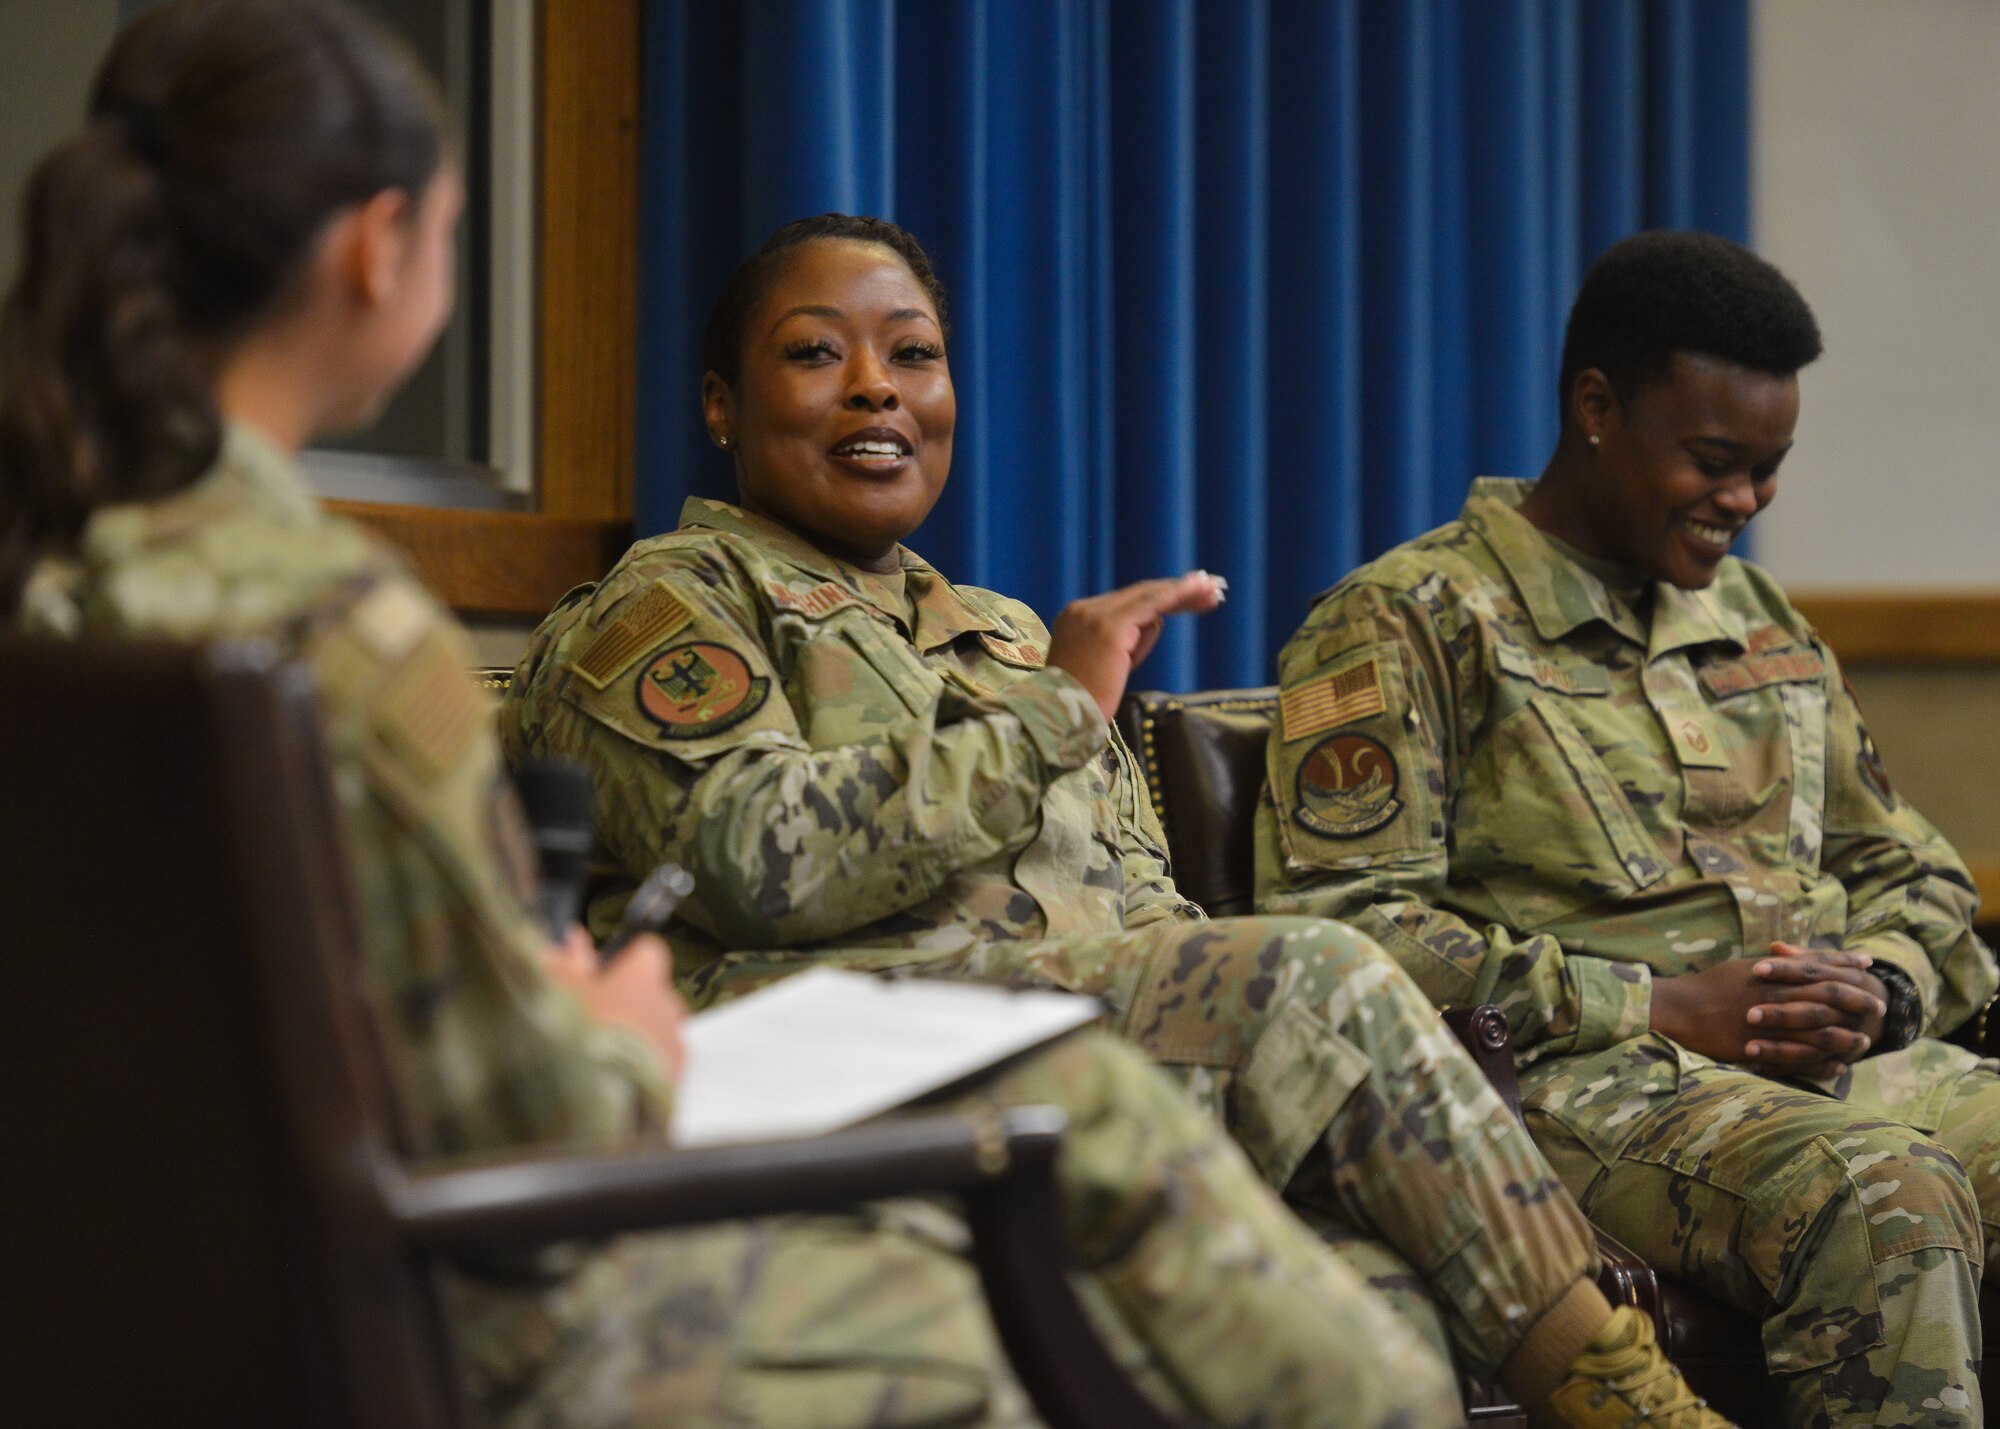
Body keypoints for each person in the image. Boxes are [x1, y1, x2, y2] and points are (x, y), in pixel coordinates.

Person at [0, 3, 1503, 1425]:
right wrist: (621, 1036)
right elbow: (525, 1109)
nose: (878, 390)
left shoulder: (73, 578)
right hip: (496, 1294)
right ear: (380, 252)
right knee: (1100, 1293)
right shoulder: (342, 629)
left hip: (169, 1288)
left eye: (915, 352)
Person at [500, 211, 1734, 1429]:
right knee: (1308, 979)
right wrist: (1047, 715)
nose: (876, 391)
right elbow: (755, 865)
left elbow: (1150, 912)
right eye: (817, 354)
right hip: (846, 1062)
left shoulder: (1002, 630)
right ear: (721, 404)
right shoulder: (665, 606)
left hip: (1099, 1078)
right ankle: (1628, 1403)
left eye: (913, 355)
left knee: (1373, 1301)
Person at [1255, 228, 1999, 1429]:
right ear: (1595, 405)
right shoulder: (1405, 620)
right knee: (1882, 1195)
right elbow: (1335, 929)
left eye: (1769, 468)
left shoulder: (1756, 616)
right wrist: (1656, 1004)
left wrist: (1878, 987)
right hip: (1573, 1078)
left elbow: (1904, 866)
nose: (1744, 502)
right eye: (1713, 461)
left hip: (1831, 1063)